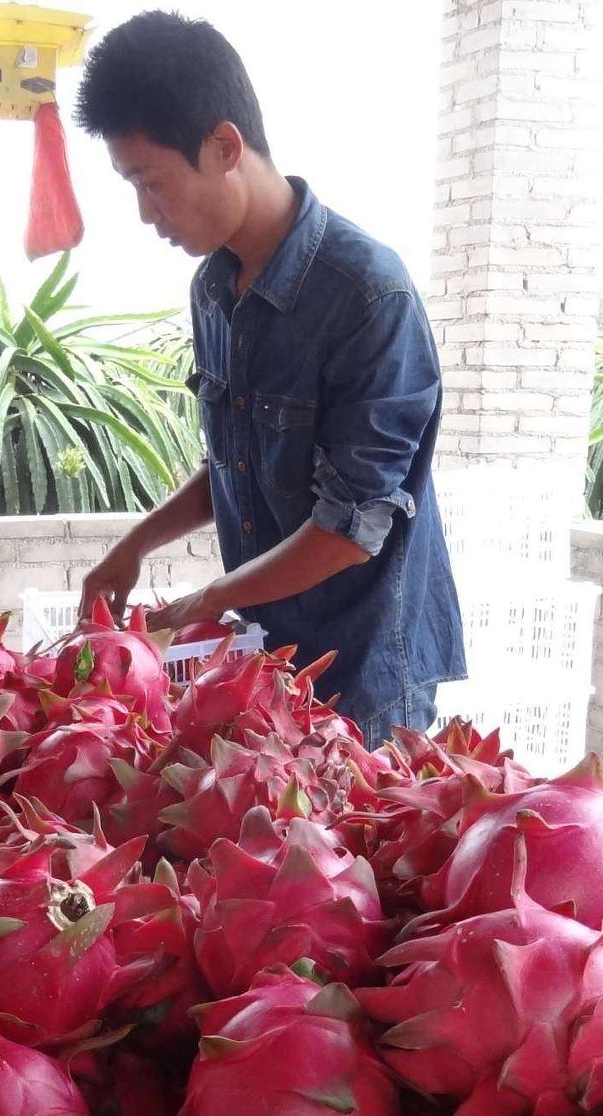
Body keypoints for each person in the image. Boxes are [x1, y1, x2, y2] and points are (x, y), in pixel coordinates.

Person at [71, 10, 463, 744]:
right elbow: (237, 463)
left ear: (223, 146)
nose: (145, 214)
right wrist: (135, 543)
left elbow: (350, 528)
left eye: (151, 184)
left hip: (362, 678)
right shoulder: (214, 288)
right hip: (266, 660)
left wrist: (208, 598)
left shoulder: (368, 295)